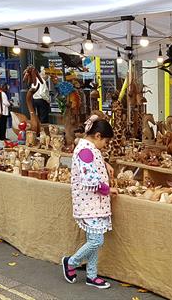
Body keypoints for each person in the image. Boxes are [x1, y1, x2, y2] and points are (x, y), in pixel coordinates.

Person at [61, 115, 117, 289]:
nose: (105, 146)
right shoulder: (86, 150)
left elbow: (91, 165)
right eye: (106, 142)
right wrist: (109, 190)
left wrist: (104, 162)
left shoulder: (88, 148)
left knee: (94, 239)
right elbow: (90, 180)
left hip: (94, 204)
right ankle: (71, 262)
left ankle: (91, 275)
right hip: (89, 204)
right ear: (98, 136)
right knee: (96, 241)